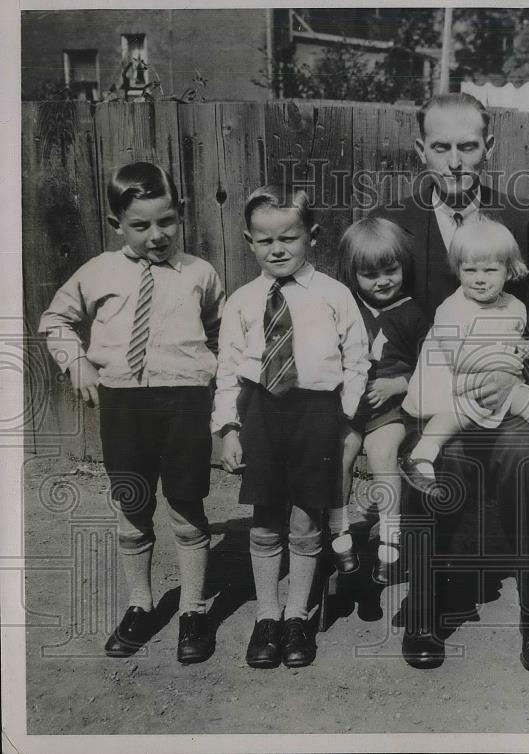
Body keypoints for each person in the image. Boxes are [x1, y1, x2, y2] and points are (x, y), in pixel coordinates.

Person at [370, 93, 529, 673]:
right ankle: (428, 603)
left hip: (503, 390)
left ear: (489, 148)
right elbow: (364, 323)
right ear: (420, 151)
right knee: (440, 464)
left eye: (468, 147)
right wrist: (402, 379)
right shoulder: (393, 226)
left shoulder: (524, 220)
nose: (455, 161)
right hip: (428, 392)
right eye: (441, 147)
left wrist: (516, 367)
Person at [38, 161, 225, 663]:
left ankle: (192, 607)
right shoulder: (99, 271)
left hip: (185, 401)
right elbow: (55, 317)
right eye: (141, 225)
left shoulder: (199, 273)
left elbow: (218, 332)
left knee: (186, 506)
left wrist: (215, 385)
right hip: (124, 403)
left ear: (180, 215)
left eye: (167, 222)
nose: (157, 235)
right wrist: (76, 361)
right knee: (132, 506)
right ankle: (141, 604)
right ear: (116, 223)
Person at [213, 185, 370, 669]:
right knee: (264, 518)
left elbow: (357, 359)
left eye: (289, 237)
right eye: (265, 241)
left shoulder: (334, 295)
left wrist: (343, 416)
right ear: (248, 240)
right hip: (261, 410)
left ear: (312, 237)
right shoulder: (242, 301)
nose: (277, 249)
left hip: (316, 413)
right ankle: (267, 615)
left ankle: (298, 616)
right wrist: (228, 428)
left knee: (306, 518)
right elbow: (227, 369)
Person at [402, 219, 529, 495]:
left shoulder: (514, 307)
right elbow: (459, 359)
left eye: (490, 270)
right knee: (453, 415)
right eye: (469, 270)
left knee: (527, 399)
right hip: (452, 384)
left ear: (509, 270)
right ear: (458, 270)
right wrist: (506, 345)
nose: (479, 279)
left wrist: (522, 346)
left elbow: (512, 341)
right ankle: (420, 457)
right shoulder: (452, 310)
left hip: (494, 384)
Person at [336, 217, 430, 585]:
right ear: (352, 273)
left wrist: (399, 384)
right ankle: (340, 531)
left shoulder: (414, 313)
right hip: (350, 404)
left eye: (390, 270)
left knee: (382, 452)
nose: (383, 281)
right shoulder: (346, 308)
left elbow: (429, 366)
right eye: (370, 275)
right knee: (341, 448)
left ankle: (390, 538)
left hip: (391, 408)